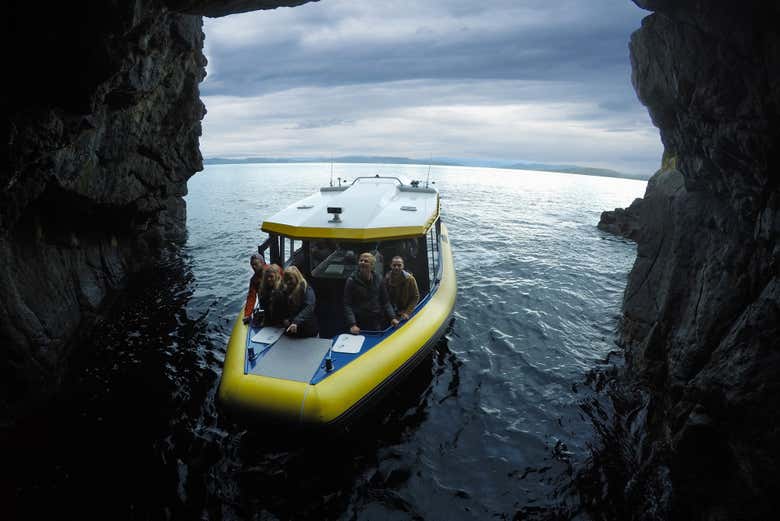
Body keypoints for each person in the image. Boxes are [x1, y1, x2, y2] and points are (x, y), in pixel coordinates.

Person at [344, 252, 399, 334]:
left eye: (366, 261)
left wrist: (392, 317)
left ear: (372, 266)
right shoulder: (351, 281)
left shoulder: (379, 279)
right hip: (359, 322)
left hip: (376, 320)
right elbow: (347, 304)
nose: (362, 262)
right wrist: (352, 324)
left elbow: (386, 301)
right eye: (361, 260)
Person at [279, 266, 318, 337]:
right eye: (286, 279)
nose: (288, 281)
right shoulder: (285, 290)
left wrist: (296, 322)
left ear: (297, 277)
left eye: (290, 278)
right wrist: (286, 318)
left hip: (307, 327)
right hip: (292, 327)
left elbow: (309, 307)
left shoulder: (306, 289)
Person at [384, 256, 420, 321]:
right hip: (392, 312)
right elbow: (385, 298)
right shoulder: (387, 279)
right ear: (391, 266)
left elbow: (415, 297)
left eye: (399, 265)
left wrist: (407, 312)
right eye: (394, 265)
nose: (396, 267)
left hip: (405, 310)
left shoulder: (410, 279)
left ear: (403, 266)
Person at [242, 253, 267, 324]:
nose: (254, 267)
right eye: (252, 265)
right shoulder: (254, 280)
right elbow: (251, 297)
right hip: (265, 303)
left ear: (262, 263)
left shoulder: (274, 270)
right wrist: (247, 314)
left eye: (256, 264)